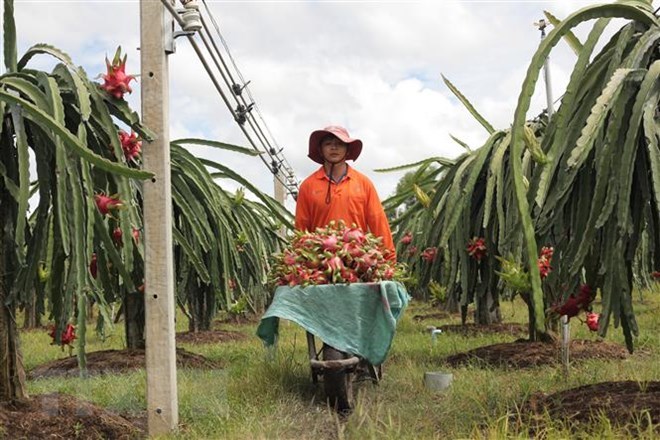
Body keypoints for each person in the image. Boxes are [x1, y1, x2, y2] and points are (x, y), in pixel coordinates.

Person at [294, 125, 395, 259]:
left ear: (347, 150)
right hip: (320, 261)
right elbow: (301, 229)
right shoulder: (307, 186)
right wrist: (299, 260)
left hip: (358, 260)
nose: (334, 147)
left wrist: (390, 259)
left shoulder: (364, 183)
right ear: (320, 150)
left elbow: (378, 222)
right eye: (328, 144)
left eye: (340, 144)